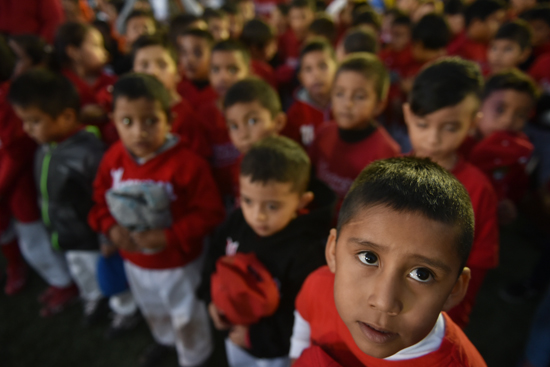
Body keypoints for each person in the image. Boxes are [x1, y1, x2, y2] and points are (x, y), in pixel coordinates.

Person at [290, 157, 486, 367]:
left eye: (422, 274)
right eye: (369, 258)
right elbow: (301, 334)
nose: (384, 302)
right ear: (333, 251)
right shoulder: (318, 287)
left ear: (455, 289)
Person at [88, 73, 225, 367]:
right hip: (134, 261)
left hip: (180, 264)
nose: (139, 132)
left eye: (150, 121)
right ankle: (165, 341)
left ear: (169, 118)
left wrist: (169, 236)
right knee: (154, 308)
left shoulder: (188, 164)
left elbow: (211, 213)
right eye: (127, 122)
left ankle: (195, 356)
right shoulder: (113, 159)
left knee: (187, 313)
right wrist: (109, 228)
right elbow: (98, 201)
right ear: (112, 119)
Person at [199, 136, 334, 367]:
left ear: (302, 201)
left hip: (272, 351)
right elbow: (215, 253)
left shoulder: (306, 252)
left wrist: (255, 338)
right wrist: (210, 299)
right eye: (248, 200)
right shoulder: (239, 220)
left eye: (272, 206)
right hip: (233, 330)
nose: (257, 215)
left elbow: (300, 315)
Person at [403, 57, 499, 328]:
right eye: (423, 124)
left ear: (472, 123)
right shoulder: (389, 174)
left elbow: (478, 264)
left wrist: (454, 307)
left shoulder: (478, 189)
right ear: (408, 115)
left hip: (439, 313)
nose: (433, 139)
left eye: (450, 127)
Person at [9, 69, 106, 321]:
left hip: (89, 236)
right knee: (80, 270)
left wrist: (105, 235)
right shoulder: (47, 146)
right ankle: (92, 299)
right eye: (24, 121)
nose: (27, 129)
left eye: (34, 121)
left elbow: (103, 200)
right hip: (66, 233)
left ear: (66, 117)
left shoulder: (89, 153)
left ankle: (114, 306)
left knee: (100, 272)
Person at [309, 53, 400, 207]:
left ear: (379, 105)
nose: (347, 104)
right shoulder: (324, 133)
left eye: (359, 97)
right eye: (339, 94)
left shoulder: (386, 152)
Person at [467, 70, 539, 223]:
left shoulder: (519, 150)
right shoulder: (460, 140)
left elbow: (516, 187)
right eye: (500, 110)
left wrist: (508, 205)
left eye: (520, 115)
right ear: (478, 105)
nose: (508, 121)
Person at [131, 34, 211, 159]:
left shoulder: (187, 117)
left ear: (178, 72)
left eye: (162, 65)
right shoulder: (130, 112)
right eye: (144, 65)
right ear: (133, 73)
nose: (153, 72)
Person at [197, 40, 250, 202]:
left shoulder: (258, 110)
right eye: (216, 70)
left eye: (232, 69)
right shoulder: (203, 114)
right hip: (218, 196)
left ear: (249, 72)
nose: (223, 77)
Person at [223, 78, 288, 197]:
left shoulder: (289, 169)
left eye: (252, 121)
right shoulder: (240, 163)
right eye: (234, 126)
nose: (243, 135)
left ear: (278, 122)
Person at [53, 21, 116, 131]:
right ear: (73, 52)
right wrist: (79, 117)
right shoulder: (59, 85)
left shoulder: (112, 82)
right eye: (96, 45)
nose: (104, 52)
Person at [283, 39, 337, 147]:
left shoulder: (346, 104)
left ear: (337, 68)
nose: (316, 74)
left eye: (322, 66)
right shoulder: (295, 114)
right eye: (308, 69)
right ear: (301, 78)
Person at [449, 0, 506, 69]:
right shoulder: (455, 48)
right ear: (477, 22)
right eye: (496, 20)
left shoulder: (492, 45)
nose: (500, 26)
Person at [176, 28, 218, 108]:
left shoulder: (219, 89)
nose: (189, 59)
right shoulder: (176, 89)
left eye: (197, 53)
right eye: (184, 52)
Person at [240, 19, 278, 89]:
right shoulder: (264, 71)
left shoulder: (240, 63)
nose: (275, 48)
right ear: (254, 48)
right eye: (270, 45)